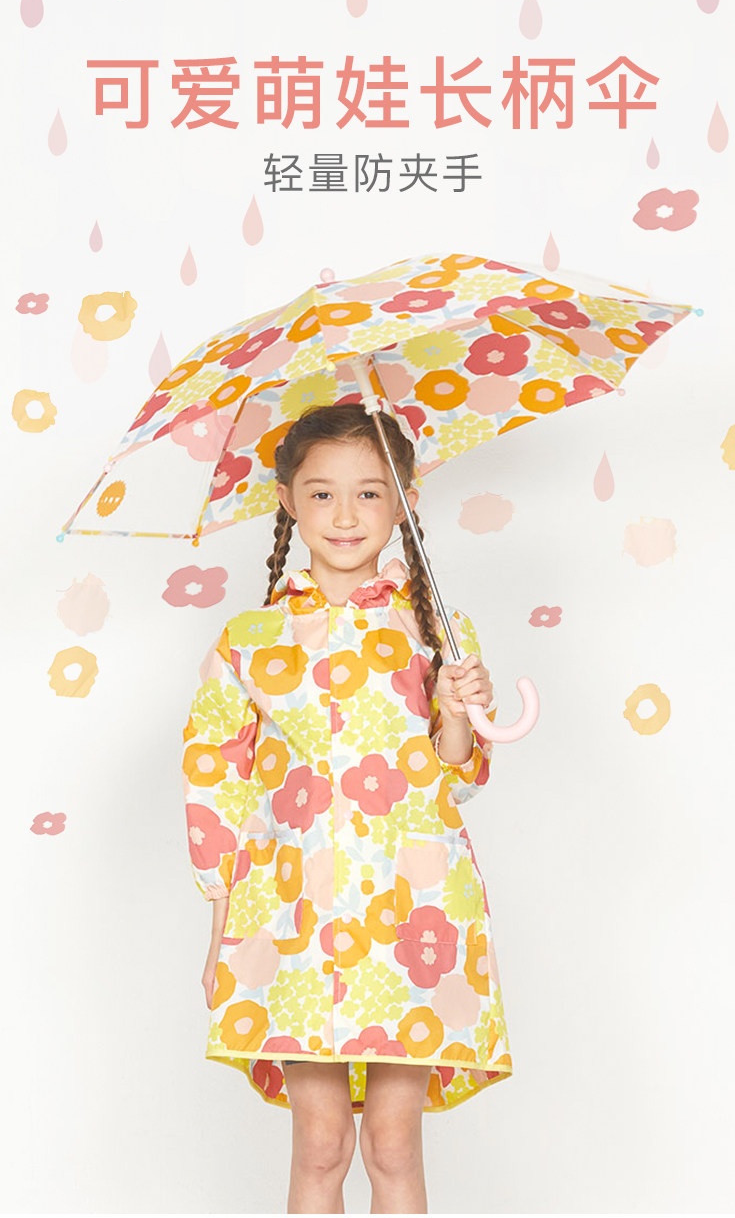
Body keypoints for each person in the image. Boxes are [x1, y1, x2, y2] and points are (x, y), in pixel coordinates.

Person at [181, 402, 512, 1214]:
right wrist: (221, 928)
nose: (345, 515)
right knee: (321, 1143)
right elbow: (215, 785)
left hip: (413, 909)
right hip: (293, 915)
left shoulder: (437, 630)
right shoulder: (249, 640)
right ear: (287, 501)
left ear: (403, 502)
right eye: (322, 493)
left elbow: (458, 779)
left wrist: (457, 708)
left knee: (393, 1144)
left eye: (369, 493)